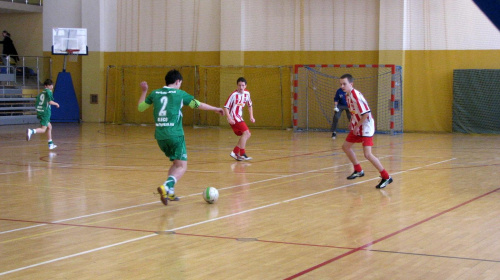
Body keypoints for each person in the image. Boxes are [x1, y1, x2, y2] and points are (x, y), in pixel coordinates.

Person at [138, 69, 224, 206]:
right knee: (183, 166)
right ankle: (166, 186)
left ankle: (170, 192)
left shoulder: (154, 93)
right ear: (178, 81)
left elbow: (141, 108)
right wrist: (215, 109)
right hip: (175, 135)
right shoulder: (180, 94)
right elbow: (199, 105)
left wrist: (144, 91)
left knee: (176, 164)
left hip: (160, 137)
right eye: (180, 83)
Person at [339, 74, 393, 189]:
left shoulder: (355, 96)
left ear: (351, 84)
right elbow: (355, 112)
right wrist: (352, 122)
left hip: (366, 126)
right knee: (345, 147)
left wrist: (357, 126)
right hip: (358, 125)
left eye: (344, 84)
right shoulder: (347, 95)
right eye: (341, 84)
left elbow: (366, 114)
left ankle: (386, 177)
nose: (342, 86)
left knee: (367, 154)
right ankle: (358, 170)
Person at [224, 77, 255, 161]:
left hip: (239, 117)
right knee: (246, 133)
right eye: (239, 85)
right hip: (234, 117)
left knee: (247, 134)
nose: (241, 87)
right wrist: (229, 118)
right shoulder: (233, 95)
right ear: (237, 86)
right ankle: (242, 153)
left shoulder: (247, 94)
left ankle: (235, 152)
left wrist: (251, 116)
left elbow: (249, 105)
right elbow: (226, 107)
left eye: (242, 85)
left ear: (245, 86)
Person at [26, 79, 60, 150]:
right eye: (50, 85)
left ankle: (50, 144)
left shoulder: (41, 93)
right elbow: (50, 102)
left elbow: (37, 101)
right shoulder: (48, 92)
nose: (51, 86)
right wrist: (56, 104)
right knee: (43, 129)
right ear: (46, 86)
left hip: (40, 111)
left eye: (52, 85)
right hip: (45, 113)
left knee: (49, 127)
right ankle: (31, 131)